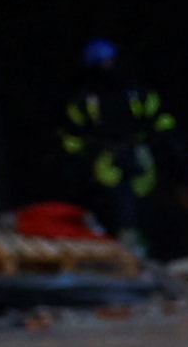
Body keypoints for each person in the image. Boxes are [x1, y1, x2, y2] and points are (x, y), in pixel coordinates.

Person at [59, 37, 180, 246]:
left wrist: (164, 143)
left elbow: (162, 119)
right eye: (102, 64)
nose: (108, 67)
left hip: (140, 157)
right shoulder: (84, 101)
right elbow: (72, 136)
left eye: (111, 61)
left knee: (146, 210)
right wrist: (78, 162)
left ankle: (151, 251)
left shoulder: (138, 93)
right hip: (107, 162)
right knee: (114, 209)